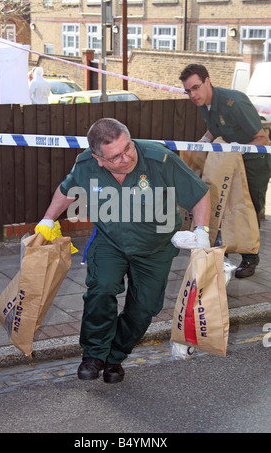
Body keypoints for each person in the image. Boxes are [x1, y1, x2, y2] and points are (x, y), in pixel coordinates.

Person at [36, 118, 211, 383]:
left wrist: (202, 231)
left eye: (128, 148)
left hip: (155, 247)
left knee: (145, 308)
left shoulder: (158, 159)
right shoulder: (86, 165)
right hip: (110, 242)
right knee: (101, 289)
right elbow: (67, 190)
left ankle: (114, 356)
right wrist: (48, 219)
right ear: (98, 158)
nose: (127, 158)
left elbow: (198, 194)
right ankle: (94, 355)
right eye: (116, 156)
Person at [179, 63, 271, 278]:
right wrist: (201, 143)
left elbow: (262, 138)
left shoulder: (234, 102)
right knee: (224, 204)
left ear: (207, 81)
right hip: (231, 161)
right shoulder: (203, 102)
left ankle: (250, 258)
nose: (192, 95)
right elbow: (216, 126)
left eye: (196, 87)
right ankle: (224, 252)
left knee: (248, 209)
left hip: (254, 161)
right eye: (188, 90)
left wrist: (235, 152)